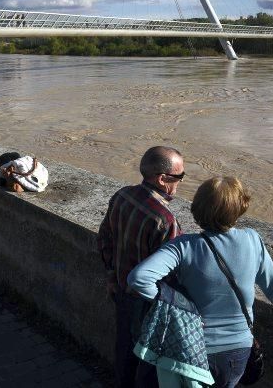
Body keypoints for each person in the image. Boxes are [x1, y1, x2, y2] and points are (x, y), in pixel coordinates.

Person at [127, 176, 273, 388]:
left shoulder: (183, 247)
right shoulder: (252, 239)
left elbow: (139, 278)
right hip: (237, 350)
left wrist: (179, 306)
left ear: (198, 207)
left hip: (193, 348)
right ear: (240, 207)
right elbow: (272, 287)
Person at [97, 146, 184, 388]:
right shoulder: (165, 220)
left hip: (122, 291)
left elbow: (105, 239)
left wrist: (111, 277)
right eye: (180, 177)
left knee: (124, 351)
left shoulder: (122, 195)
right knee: (149, 365)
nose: (181, 183)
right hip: (149, 303)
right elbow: (174, 274)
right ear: (162, 179)